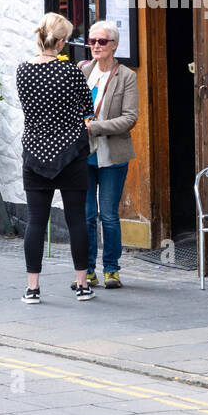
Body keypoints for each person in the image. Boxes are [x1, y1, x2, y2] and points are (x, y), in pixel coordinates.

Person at [15, 12, 94, 304]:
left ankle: (33, 289)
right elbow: (88, 108)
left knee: (36, 221)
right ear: (60, 42)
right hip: (71, 153)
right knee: (76, 221)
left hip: (35, 153)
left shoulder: (23, 71)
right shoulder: (71, 72)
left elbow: (28, 108)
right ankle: (82, 285)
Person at [80, 20, 139, 289]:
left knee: (109, 216)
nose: (96, 46)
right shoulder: (83, 70)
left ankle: (112, 269)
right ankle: (88, 270)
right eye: (92, 41)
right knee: (87, 214)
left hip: (112, 155)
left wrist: (95, 127)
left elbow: (130, 118)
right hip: (85, 156)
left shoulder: (126, 76)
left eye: (102, 42)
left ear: (114, 45)